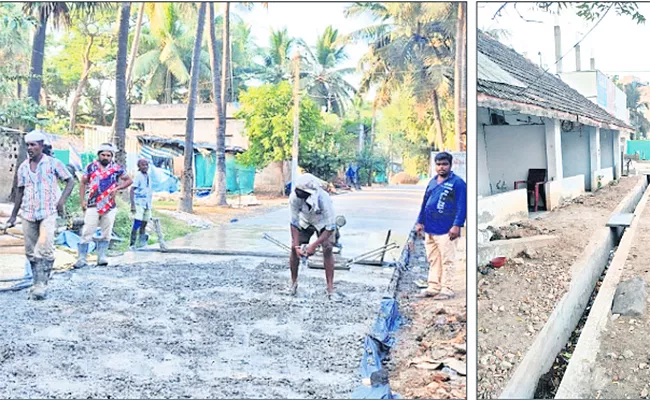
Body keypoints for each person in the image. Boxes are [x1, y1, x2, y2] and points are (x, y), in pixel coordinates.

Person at [6, 130, 75, 300]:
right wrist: (14, 215)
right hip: (28, 212)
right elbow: (19, 192)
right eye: (28, 145)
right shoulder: (23, 167)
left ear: (41, 146)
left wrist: (61, 202)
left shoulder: (53, 163)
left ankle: (42, 284)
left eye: (33, 145)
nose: (30, 148)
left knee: (44, 247)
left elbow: (70, 180)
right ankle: (36, 281)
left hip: (48, 211)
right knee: (30, 250)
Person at [415, 152, 466, 300]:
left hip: (446, 229)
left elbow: (462, 206)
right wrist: (420, 222)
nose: (441, 167)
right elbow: (425, 203)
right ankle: (433, 286)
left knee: (447, 259)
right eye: (438, 164)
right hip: (430, 228)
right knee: (433, 259)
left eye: (444, 164)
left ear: (450, 165)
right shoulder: (432, 182)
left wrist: (457, 225)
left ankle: (447, 288)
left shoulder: (458, 183)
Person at [73, 143, 132, 268]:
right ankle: (82, 258)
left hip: (109, 204)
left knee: (106, 231)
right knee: (87, 230)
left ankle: (102, 257)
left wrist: (118, 188)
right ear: (99, 155)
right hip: (92, 203)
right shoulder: (91, 167)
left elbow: (128, 180)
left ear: (112, 156)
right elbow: (83, 183)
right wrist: (82, 200)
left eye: (108, 155)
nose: (105, 157)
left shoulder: (116, 168)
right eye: (103, 155)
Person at [289, 173, 338, 299]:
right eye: (297, 190)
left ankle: (330, 287)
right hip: (305, 221)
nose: (298, 193)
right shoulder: (294, 197)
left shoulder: (323, 198)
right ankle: (293, 283)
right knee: (294, 249)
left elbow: (330, 228)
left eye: (302, 192)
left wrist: (314, 246)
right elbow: (293, 223)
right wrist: (296, 246)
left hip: (322, 223)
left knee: (327, 248)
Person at [130, 159, 153, 249]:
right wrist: (132, 204)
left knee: (144, 222)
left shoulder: (148, 176)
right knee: (137, 223)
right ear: (139, 166)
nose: (145, 167)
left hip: (147, 203)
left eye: (146, 165)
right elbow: (132, 190)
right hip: (139, 202)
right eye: (143, 165)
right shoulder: (138, 176)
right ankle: (132, 243)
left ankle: (142, 242)